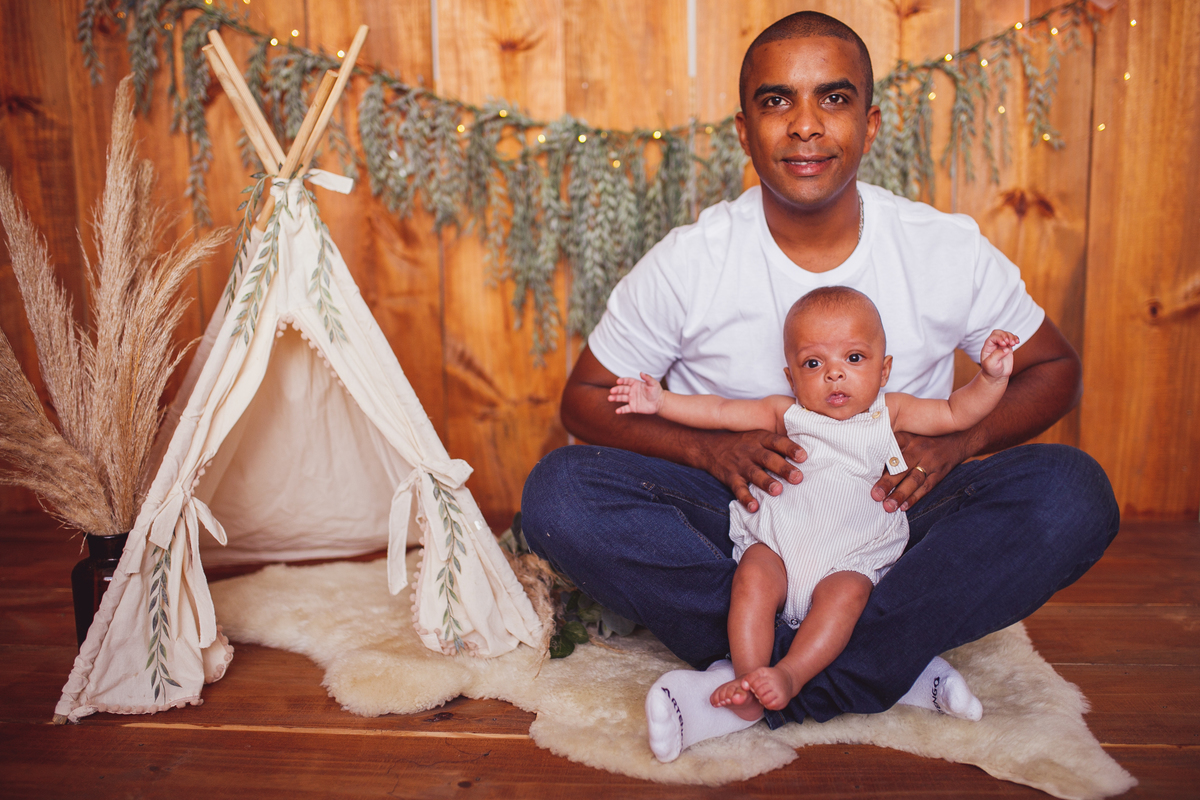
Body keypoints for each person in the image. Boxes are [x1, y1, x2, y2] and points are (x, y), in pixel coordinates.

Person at [520, 10, 1118, 764]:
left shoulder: (941, 248)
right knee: (560, 494)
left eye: (833, 100)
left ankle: (769, 680)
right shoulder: (690, 261)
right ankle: (881, 665)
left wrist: (958, 443)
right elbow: (585, 397)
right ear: (744, 130)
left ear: (870, 124)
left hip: (890, 517)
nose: (805, 126)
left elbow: (1052, 368)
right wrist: (709, 453)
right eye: (777, 102)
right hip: (747, 528)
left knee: (1072, 493)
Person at [609, 287, 1016, 732]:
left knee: (847, 595)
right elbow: (721, 411)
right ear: (791, 377)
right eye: (814, 364)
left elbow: (958, 413)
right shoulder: (787, 414)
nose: (834, 375)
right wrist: (662, 402)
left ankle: (790, 674)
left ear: (885, 371)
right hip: (778, 546)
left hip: (849, 558)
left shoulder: (890, 413)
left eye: (854, 359)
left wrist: (991, 378)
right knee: (752, 577)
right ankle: (749, 681)